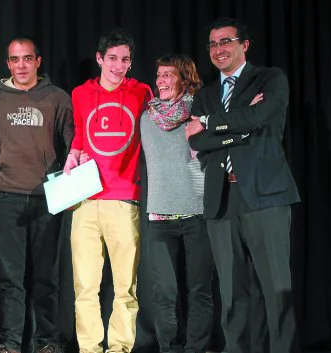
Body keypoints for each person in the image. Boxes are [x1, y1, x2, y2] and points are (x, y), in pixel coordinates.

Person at [185, 17, 300, 353]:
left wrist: (210, 124)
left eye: (226, 42)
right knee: (232, 293)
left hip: (266, 196)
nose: (218, 50)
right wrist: (240, 127)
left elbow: (259, 118)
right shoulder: (205, 95)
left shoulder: (270, 79)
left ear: (243, 45)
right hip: (222, 199)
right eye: (213, 44)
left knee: (276, 289)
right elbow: (200, 143)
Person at [0, 36, 74, 353]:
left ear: (38, 61)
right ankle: (10, 342)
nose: (21, 65)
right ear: (8, 63)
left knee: (47, 276)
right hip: (7, 197)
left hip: (49, 197)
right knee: (10, 278)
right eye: (15, 59)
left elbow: (71, 143)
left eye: (27, 59)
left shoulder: (58, 98)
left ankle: (46, 341)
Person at [63, 29, 153, 353]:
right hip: (86, 199)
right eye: (112, 58)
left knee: (125, 286)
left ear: (131, 62)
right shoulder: (80, 93)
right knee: (85, 285)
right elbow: (79, 135)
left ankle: (119, 348)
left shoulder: (142, 92)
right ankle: (89, 348)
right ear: (100, 58)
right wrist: (73, 156)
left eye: (125, 59)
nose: (118, 65)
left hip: (124, 199)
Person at [140, 53, 214, 353]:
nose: (161, 81)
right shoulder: (146, 116)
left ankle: (196, 349)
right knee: (164, 293)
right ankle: (169, 349)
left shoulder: (201, 112)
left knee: (199, 291)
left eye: (169, 75)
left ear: (185, 78)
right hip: (159, 216)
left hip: (197, 213)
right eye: (159, 76)